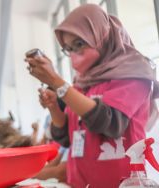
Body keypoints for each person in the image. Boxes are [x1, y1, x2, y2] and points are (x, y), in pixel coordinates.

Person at [25, 4, 159, 188]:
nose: (74, 54)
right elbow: (66, 137)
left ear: (101, 36)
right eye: (68, 48)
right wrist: (54, 107)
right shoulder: (82, 84)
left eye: (79, 44)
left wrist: (57, 82)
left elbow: (109, 123)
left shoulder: (133, 75)